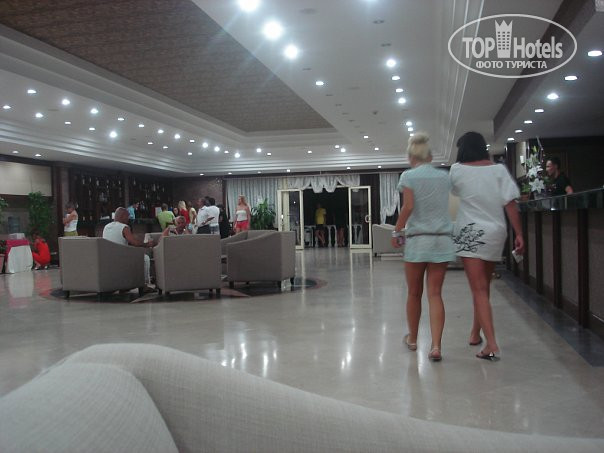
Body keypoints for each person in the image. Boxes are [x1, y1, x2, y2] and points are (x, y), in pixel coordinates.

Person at [450, 132, 525, 361]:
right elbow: (510, 203)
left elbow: (455, 192)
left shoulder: (456, 170)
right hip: (495, 231)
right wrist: (519, 233)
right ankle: (475, 333)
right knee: (483, 287)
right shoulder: (499, 169)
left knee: (478, 288)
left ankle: (491, 345)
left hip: (469, 232)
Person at [391, 133, 455, 361]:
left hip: (419, 240)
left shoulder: (408, 176)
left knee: (414, 292)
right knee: (435, 293)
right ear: (429, 156)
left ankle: (413, 339)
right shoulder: (444, 177)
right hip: (441, 240)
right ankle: (436, 346)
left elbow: (408, 206)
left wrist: (397, 230)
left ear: (411, 157)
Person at [103, 207, 155, 290]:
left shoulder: (106, 227)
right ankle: (144, 285)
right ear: (122, 216)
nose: (128, 219)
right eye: (127, 216)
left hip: (108, 259)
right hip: (121, 258)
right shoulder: (124, 227)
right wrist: (147, 244)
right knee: (145, 258)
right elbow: (134, 243)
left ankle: (126, 286)